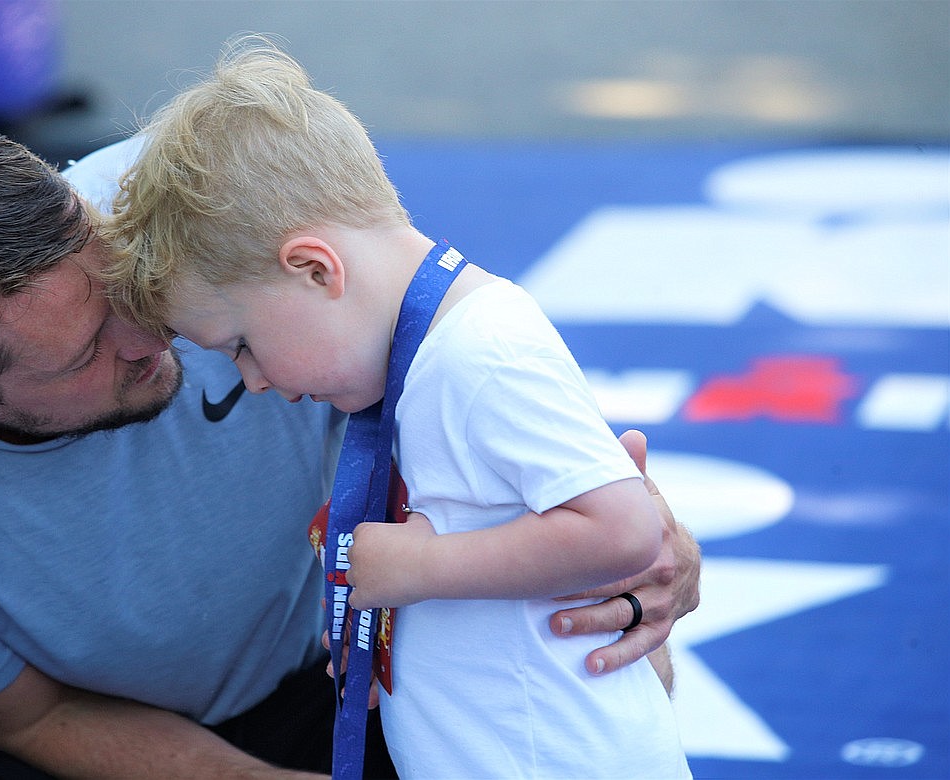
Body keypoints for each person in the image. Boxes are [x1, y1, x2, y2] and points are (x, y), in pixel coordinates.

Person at [0, 112, 699, 779]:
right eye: (92, 351)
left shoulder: (202, 211)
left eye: (129, 290)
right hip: (104, 735)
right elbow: (28, 718)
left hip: (349, 665)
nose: (154, 337)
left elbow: (459, 349)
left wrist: (637, 529)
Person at [106, 39, 691, 779]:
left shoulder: (482, 350)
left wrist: (420, 566)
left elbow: (623, 527)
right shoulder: (419, 364)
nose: (254, 382)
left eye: (243, 344)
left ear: (315, 270)